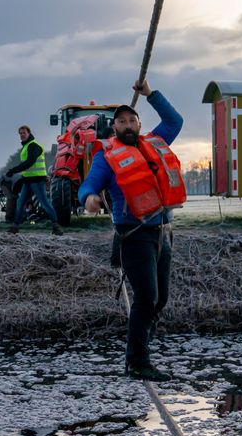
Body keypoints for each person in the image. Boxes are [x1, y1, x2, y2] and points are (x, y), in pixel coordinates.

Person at [78, 80, 184, 382]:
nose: (127, 125)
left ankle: (139, 350)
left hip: (163, 233)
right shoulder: (107, 156)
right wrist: (89, 197)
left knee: (159, 299)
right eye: (121, 121)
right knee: (146, 297)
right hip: (134, 235)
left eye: (131, 120)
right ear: (114, 128)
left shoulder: (155, 143)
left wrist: (150, 94)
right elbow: (89, 183)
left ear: (139, 123)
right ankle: (137, 362)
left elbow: (175, 120)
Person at [4, 125, 62, 236]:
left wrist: (13, 170)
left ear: (29, 133)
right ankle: (15, 227)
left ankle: (56, 227)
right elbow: (27, 165)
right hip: (28, 181)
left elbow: (29, 162)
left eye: (24, 133)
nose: (22, 135)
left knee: (45, 203)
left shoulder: (33, 146)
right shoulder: (26, 146)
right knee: (20, 203)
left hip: (37, 180)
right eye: (20, 133)